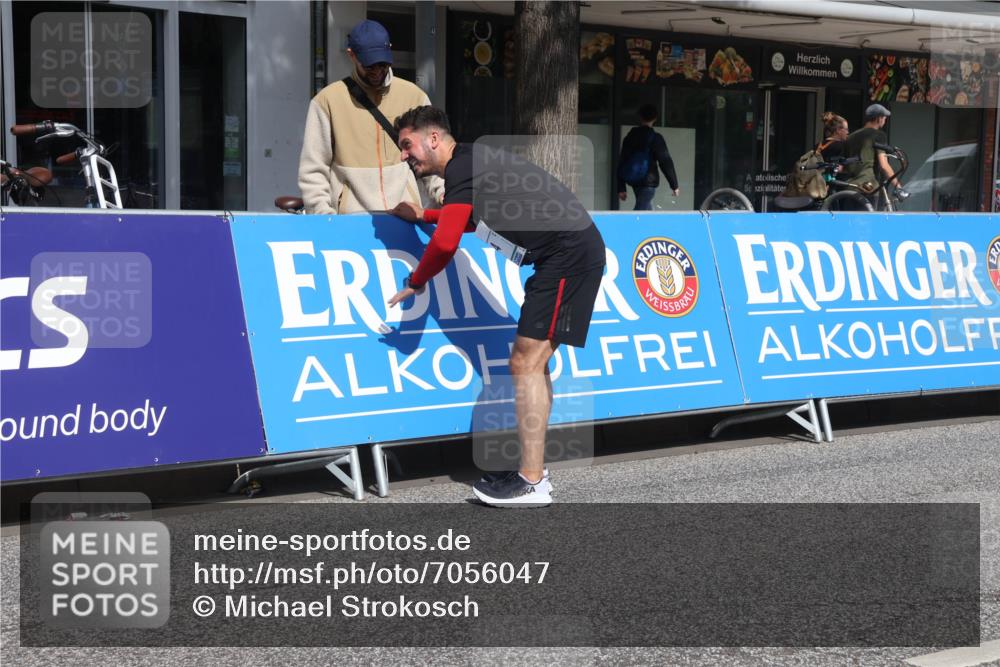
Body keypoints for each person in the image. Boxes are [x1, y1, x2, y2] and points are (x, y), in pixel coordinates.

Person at [387, 106, 606, 508]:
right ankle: (533, 469)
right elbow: (469, 220)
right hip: (569, 252)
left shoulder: (462, 167)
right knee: (533, 363)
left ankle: (531, 482)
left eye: (407, 144)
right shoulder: (470, 162)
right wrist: (425, 214)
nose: (404, 155)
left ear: (433, 138)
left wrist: (415, 282)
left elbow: (448, 242)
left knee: (525, 362)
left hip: (567, 254)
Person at [298, 20, 443, 214]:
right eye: (369, 65)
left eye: (382, 64)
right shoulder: (327, 101)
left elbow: (431, 158)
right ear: (352, 55)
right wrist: (325, 217)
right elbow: (314, 168)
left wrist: (443, 194)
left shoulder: (415, 97)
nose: (377, 71)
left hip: (405, 217)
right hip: (350, 221)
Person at [617, 104, 679, 210]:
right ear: (655, 118)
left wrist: (621, 187)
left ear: (640, 117)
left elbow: (622, 161)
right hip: (648, 181)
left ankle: (650, 226)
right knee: (641, 212)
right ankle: (632, 226)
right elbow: (665, 162)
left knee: (647, 208)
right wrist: (674, 185)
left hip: (633, 180)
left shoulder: (630, 137)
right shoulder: (656, 138)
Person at [842, 103, 904, 196]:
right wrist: (898, 186)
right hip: (868, 186)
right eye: (884, 117)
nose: (885, 120)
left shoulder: (851, 137)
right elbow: (884, 165)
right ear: (878, 118)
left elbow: (844, 166)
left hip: (850, 187)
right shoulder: (878, 135)